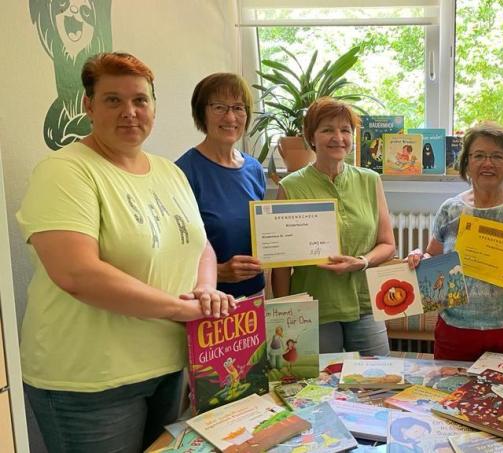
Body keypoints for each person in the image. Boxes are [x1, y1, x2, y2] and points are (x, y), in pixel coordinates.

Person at [15, 52, 236, 453]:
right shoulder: (65, 171)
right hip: (91, 382)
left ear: (154, 106)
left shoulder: (168, 172)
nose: (129, 112)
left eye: (140, 100)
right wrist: (180, 309)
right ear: (89, 106)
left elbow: (200, 244)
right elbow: (77, 274)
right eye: (113, 100)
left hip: (167, 367)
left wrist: (205, 289)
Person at [407, 121, 503, 361]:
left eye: (497, 156)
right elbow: (432, 258)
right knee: (452, 387)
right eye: (479, 155)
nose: (488, 163)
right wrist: (419, 257)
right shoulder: (450, 210)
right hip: (457, 331)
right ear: (467, 163)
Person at [272, 97, 395, 355]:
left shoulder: (370, 180)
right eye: (327, 129)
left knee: (378, 376)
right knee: (319, 380)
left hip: (363, 302)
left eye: (345, 130)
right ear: (311, 137)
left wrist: (360, 262)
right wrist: (285, 315)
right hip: (314, 306)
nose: (338, 138)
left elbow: (387, 245)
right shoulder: (291, 187)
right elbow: (281, 264)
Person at [176, 73, 265, 298]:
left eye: (238, 108)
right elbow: (173, 250)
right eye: (219, 107)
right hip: (208, 300)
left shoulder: (254, 169)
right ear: (201, 113)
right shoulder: (182, 172)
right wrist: (220, 272)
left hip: (255, 297)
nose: (231, 117)